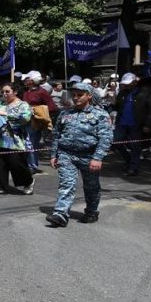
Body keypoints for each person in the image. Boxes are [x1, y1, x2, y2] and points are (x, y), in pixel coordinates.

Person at [46, 82, 114, 227]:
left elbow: (106, 138)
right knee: (66, 184)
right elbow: (56, 135)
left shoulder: (100, 114)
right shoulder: (65, 113)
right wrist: (53, 154)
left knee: (91, 186)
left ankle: (91, 211)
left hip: (89, 156)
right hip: (67, 155)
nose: (76, 97)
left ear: (89, 96)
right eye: (74, 95)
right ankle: (60, 214)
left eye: (80, 95)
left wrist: (98, 158)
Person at [0, 83, 34, 196]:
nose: (4, 94)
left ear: (15, 92)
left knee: (16, 163)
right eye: (3, 92)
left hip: (15, 139)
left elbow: (26, 118)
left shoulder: (23, 105)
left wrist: (6, 114)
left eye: (7, 91)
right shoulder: (0, 103)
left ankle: (28, 182)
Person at [112, 72, 151, 177]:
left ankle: (133, 167)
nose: (126, 85)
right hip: (122, 123)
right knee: (116, 142)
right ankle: (128, 159)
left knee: (135, 146)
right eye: (125, 84)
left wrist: (148, 124)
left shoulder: (145, 93)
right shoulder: (122, 93)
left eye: (128, 83)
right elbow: (117, 107)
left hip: (136, 124)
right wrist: (113, 100)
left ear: (134, 82)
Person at [21, 72, 56, 174]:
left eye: (27, 79)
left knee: (31, 143)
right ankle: (26, 164)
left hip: (35, 122)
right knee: (25, 144)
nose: (25, 80)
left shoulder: (42, 92)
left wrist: (37, 110)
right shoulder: (25, 92)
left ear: (32, 81)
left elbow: (52, 107)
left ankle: (32, 166)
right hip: (24, 121)